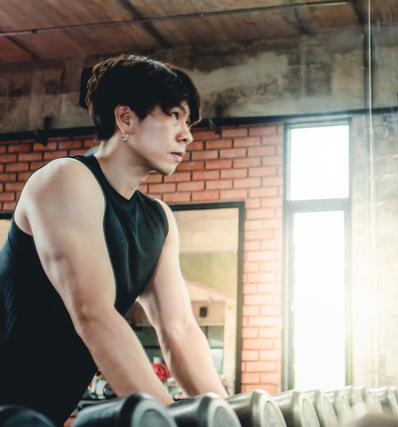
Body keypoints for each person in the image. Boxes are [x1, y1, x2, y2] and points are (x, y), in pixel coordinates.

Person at [0, 55, 227, 426]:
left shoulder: (159, 221)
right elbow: (94, 313)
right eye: (173, 115)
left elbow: (180, 329)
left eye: (187, 122)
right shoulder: (66, 180)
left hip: (39, 416)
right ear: (125, 119)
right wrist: (166, 420)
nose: (186, 133)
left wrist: (226, 414)